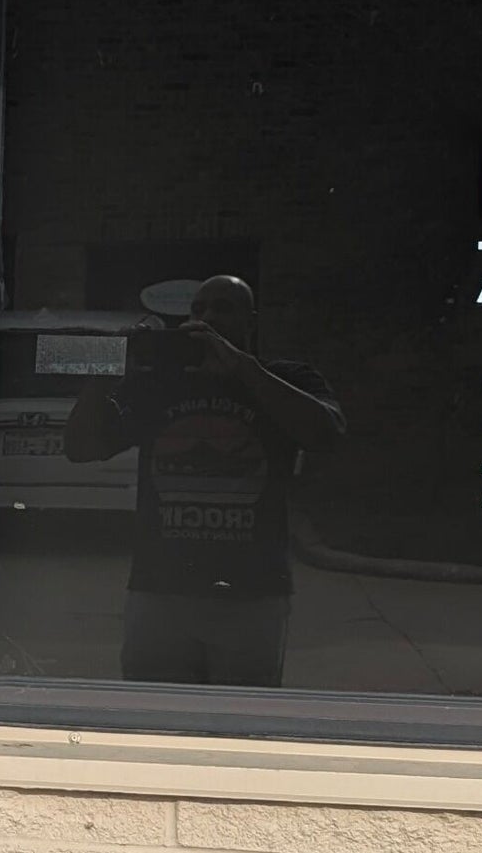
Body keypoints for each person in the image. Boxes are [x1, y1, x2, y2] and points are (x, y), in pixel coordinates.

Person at [63, 275, 343, 686]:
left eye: (223, 308)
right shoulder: (161, 387)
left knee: (241, 725)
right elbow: (81, 448)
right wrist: (107, 373)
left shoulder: (283, 378)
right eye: (198, 310)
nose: (208, 318)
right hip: (160, 591)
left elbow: (327, 433)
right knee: (154, 725)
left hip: (251, 595)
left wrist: (241, 369)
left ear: (251, 321)